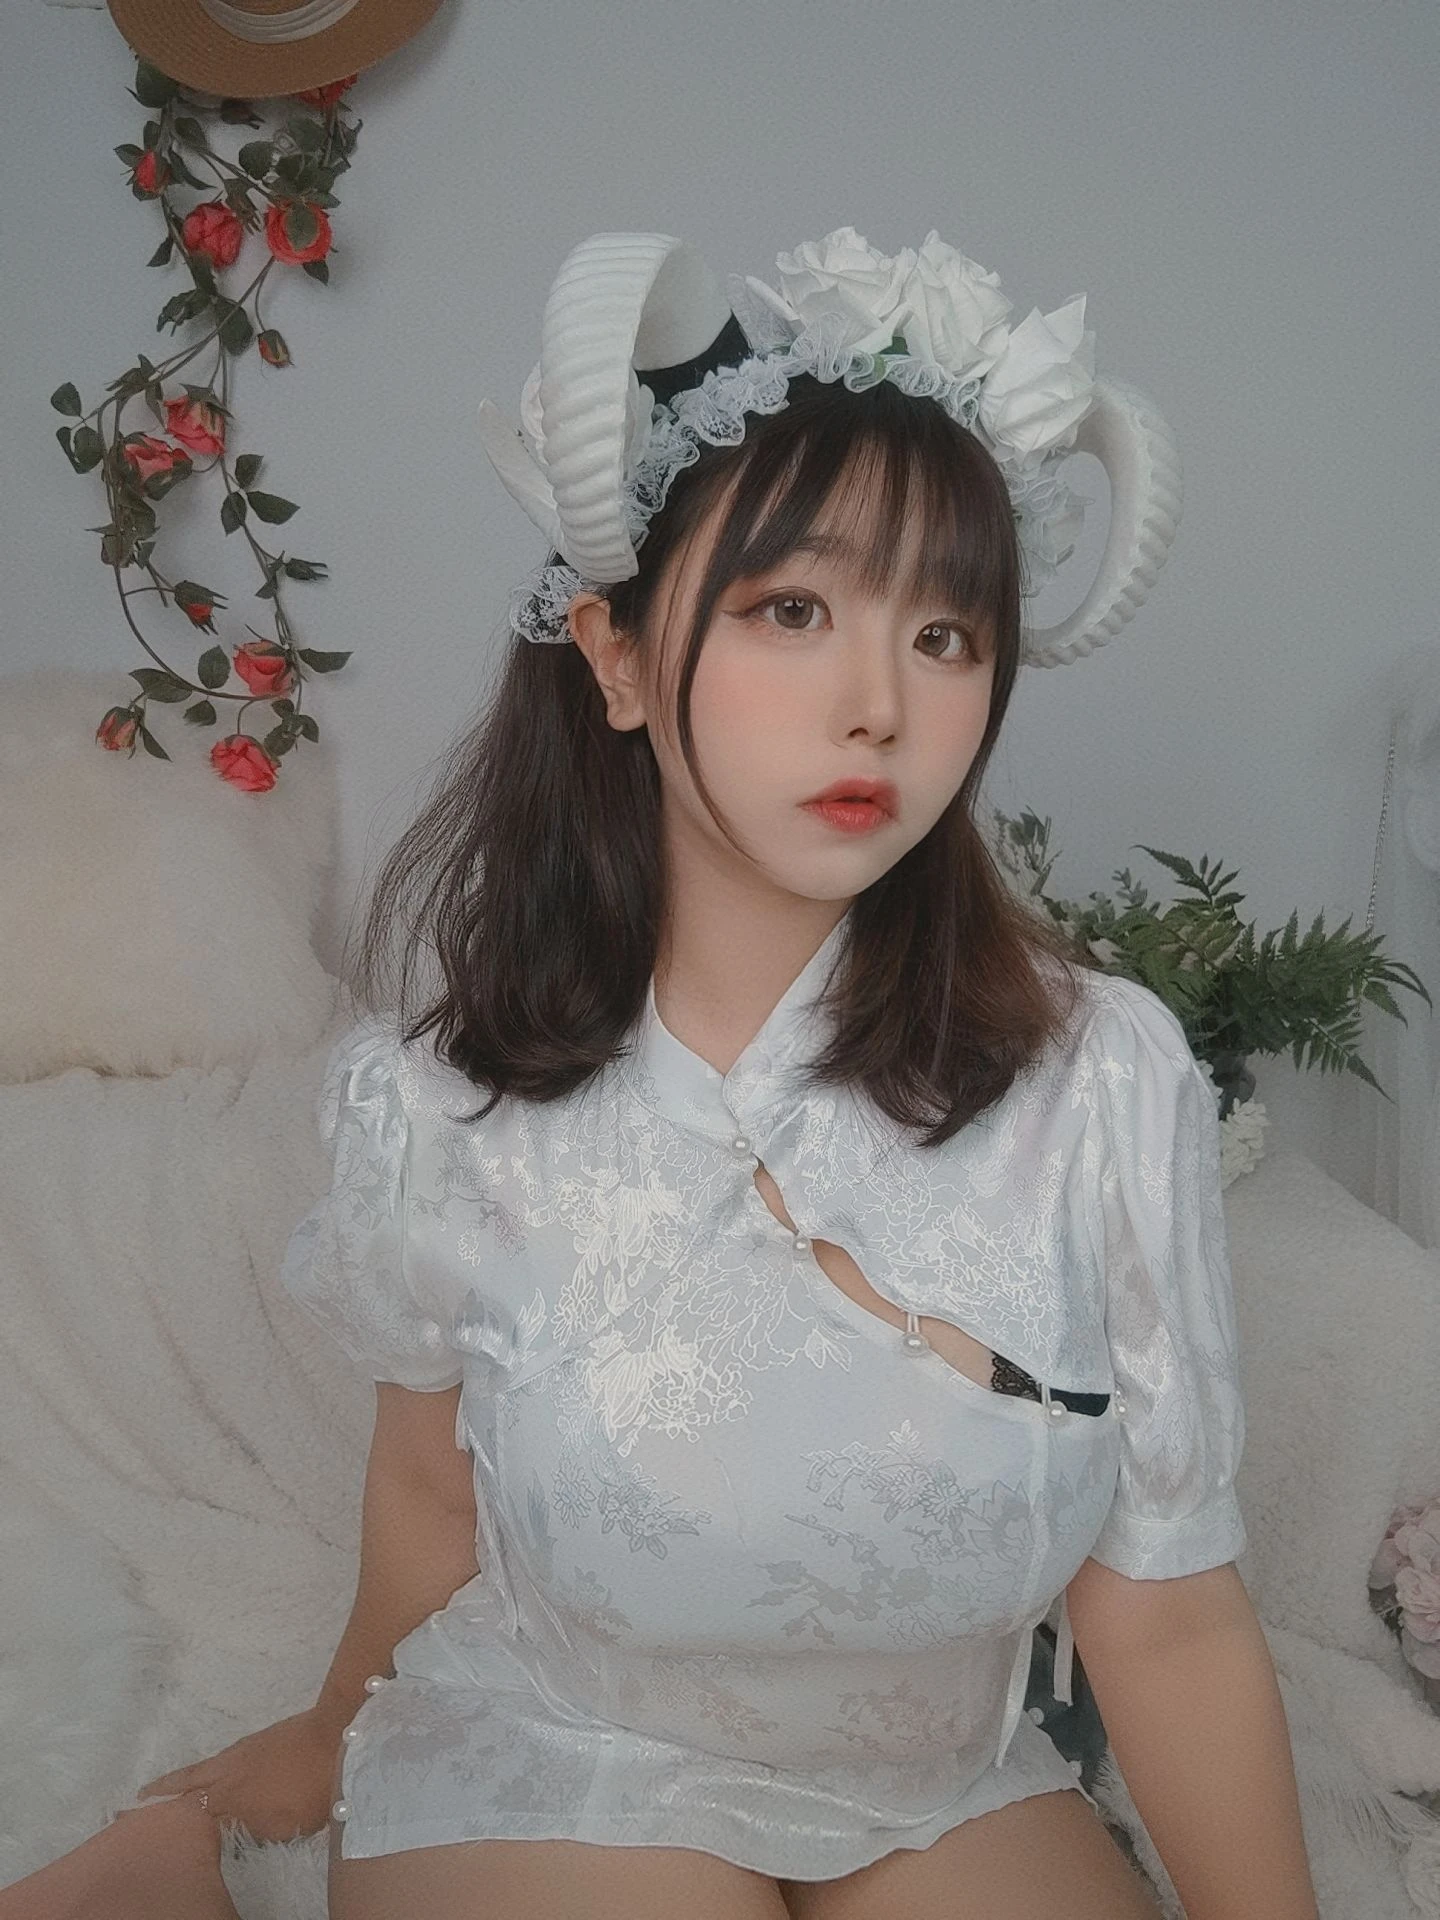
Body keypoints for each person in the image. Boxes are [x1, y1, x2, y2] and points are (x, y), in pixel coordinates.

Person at [0, 227, 1319, 1920]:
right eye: (792, 610)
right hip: (569, 1742)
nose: (878, 706)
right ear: (617, 657)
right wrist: (335, 1725)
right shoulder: (449, 1108)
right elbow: (429, 1486)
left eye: (945, 634)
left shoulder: (1101, 1077)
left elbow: (1170, 1610)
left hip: (931, 1773)